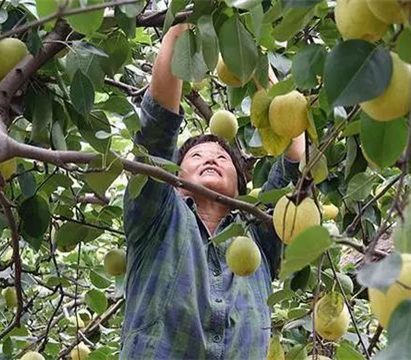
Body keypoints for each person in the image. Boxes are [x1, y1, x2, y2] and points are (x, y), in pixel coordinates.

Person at [121, 24, 305, 359]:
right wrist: (180, 29)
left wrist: (252, 62)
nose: (211, 158)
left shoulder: (259, 238)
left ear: (239, 185)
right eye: (196, 156)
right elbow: (156, 130)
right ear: (175, 181)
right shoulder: (156, 220)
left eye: (222, 157)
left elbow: (296, 161)